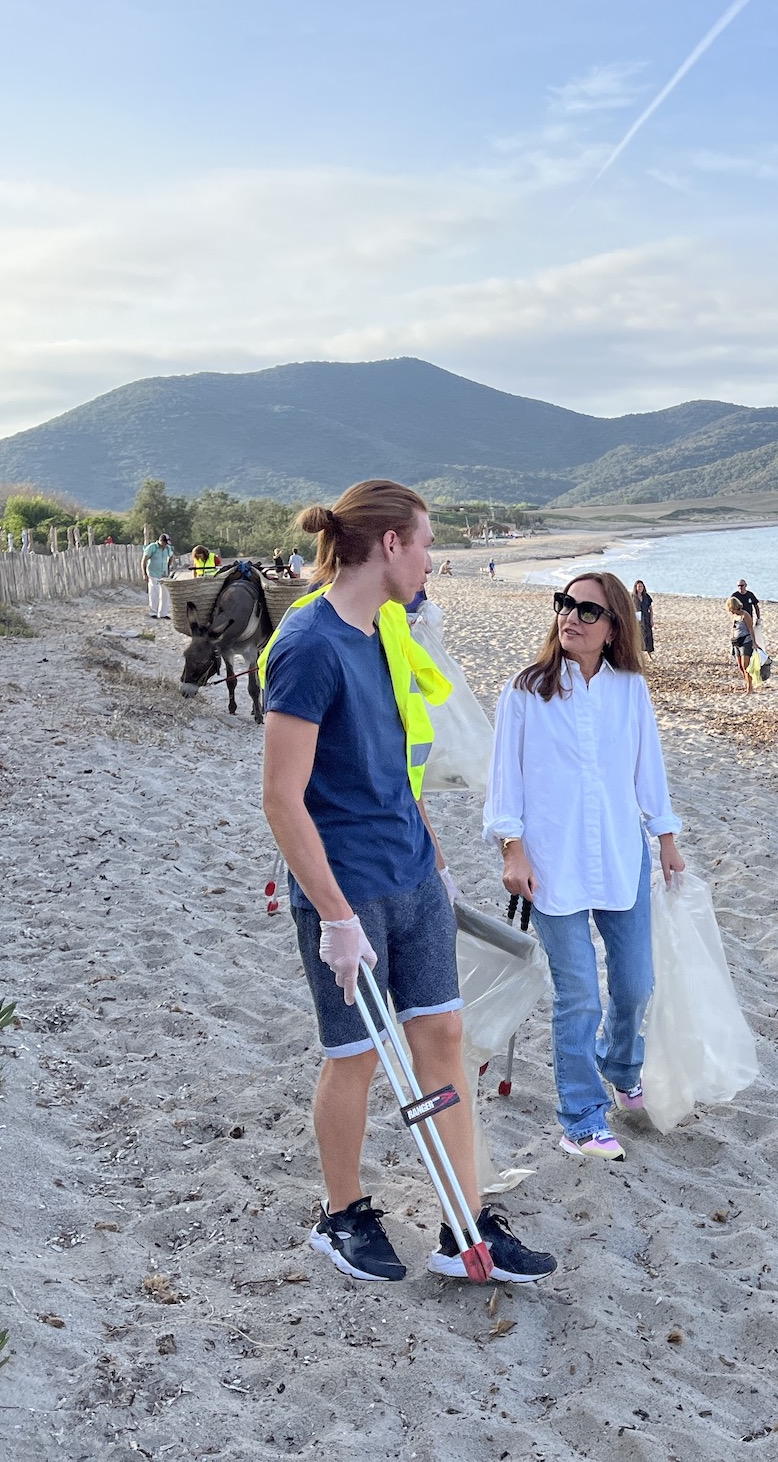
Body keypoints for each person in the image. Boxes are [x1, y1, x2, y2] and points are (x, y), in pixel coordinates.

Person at [259, 480, 556, 1285]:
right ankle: (342, 1213)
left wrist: (432, 850)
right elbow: (282, 798)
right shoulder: (309, 645)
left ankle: (462, 1226)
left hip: (414, 872)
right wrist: (333, 915)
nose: (432, 560)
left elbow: (401, 757)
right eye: (425, 543)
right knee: (355, 1052)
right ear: (390, 544)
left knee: (443, 1036)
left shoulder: (390, 628)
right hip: (346, 884)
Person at [485, 572, 686, 1161]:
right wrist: (511, 849)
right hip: (551, 865)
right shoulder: (525, 691)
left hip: (622, 857)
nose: (570, 616)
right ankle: (580, 1116)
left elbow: (648, 768)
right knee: (579, 997)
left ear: (614, 627)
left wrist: (666, 838)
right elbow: (504, 783)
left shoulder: (629, 690)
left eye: (587, 611)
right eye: (565, 604)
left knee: (634, 984)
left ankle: (619, 1064)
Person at [729, 597, 759, 693]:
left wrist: (754, 642)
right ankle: (747, 684)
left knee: (745, 666)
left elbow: (750, 629)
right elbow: (733, 628)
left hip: (746, 641)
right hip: (736, 642)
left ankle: (750, 688)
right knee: (740, 667)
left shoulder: (745, 615)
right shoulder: (734, 616)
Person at [142, 533, 175, 619]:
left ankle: (163, 613)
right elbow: (144, 560)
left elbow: (171, 556)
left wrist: (168, 566)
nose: (165, 545)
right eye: (165, 543)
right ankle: (153, 612)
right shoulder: (152, 547)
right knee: (155, 592)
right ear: (160, 541)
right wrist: (144, 573)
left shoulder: (167, 548)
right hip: (153, 573)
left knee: (165, 593)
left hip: (164, 573)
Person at [632, 580, 656, 655]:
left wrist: (651, 619)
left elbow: (651, 609)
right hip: (637, 619)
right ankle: (638, 653)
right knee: (639, 636)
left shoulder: (646, 596)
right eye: (638, 586)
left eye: (641, 586)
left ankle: (649, 653)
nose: (640, 588)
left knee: (648, 635)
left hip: (646, 618)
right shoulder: (632, 597)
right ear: (636, 587)